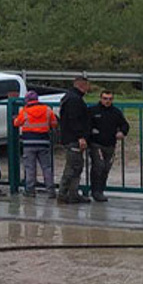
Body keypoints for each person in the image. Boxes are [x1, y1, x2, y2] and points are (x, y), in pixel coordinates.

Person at [13, 90, 59, 196]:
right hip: (44, 142)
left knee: (30, 168)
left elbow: (16, 123)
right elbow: (54, 124)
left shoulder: (24, 111)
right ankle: (51, 190)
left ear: (27, 100)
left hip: (29, 143)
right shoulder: (47, 110)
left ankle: (30, 190)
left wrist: (15, 118)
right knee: (46, 167)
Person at [87, 89, 129, 202]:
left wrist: (122, 132)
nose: (107, 101)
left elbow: (124, 125)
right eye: (105, 99)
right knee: (98, 166)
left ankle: (100, 190)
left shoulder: (116, 112)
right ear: (101, 99)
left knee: (106, 168)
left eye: (110, 99)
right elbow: (86, 125)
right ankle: (95, 191)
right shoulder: (92, 110)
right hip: (96, 144)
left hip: (110, 144)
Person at [56, 75, 92, 204]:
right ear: (82, 85)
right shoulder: (74, 100)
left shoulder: (70, 97)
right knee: (73, 167)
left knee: (76, 166)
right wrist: (81, 136)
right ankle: (64, 193)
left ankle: (72, 193)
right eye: (87, 85)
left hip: (70, 138)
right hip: (74, 139)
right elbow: (74, 120)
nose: (89, 88)